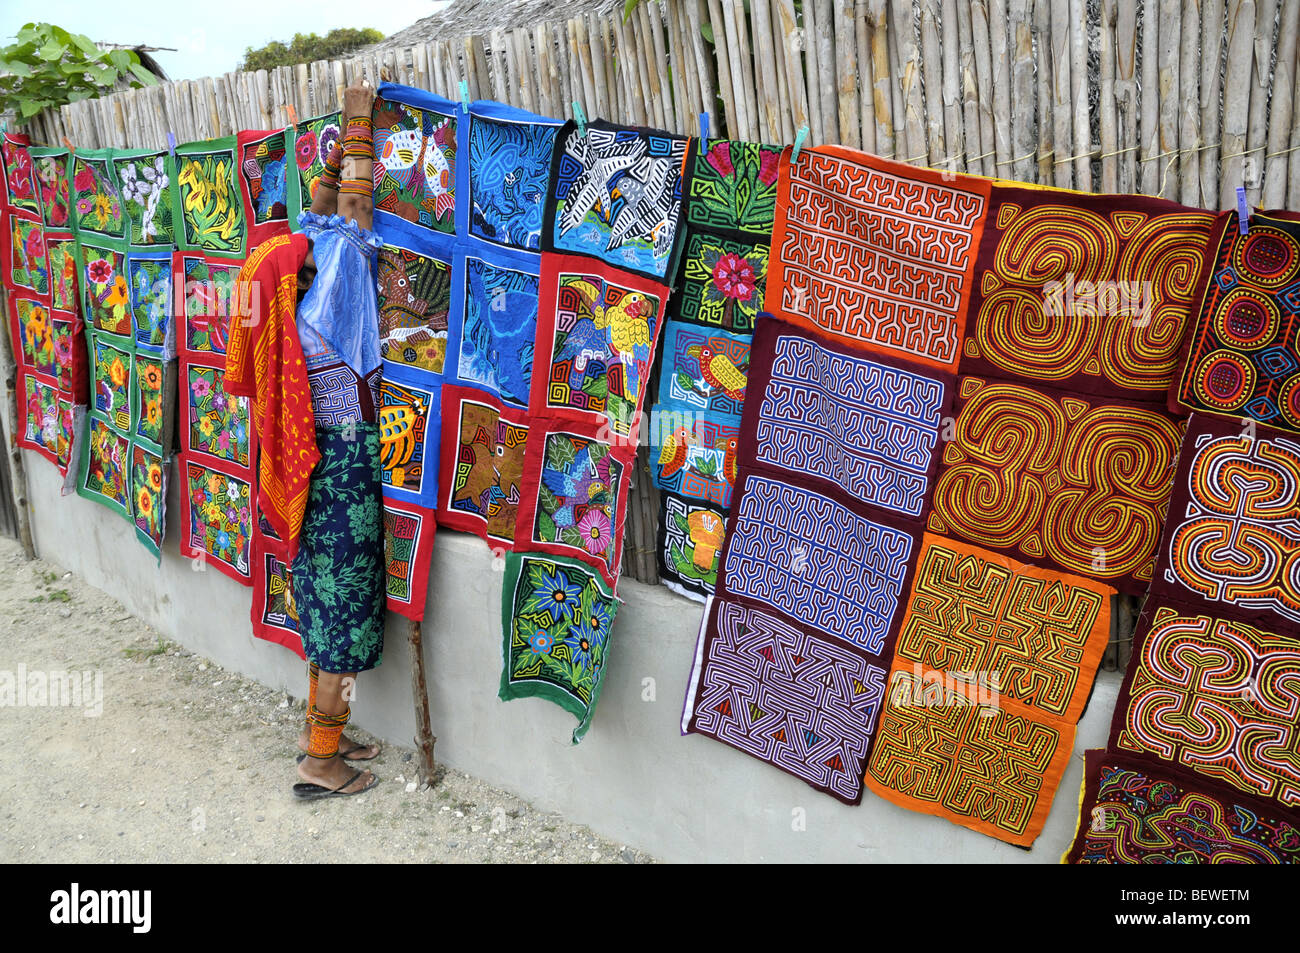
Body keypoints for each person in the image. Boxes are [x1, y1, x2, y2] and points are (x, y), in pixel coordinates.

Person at [226, 79, 385, 799]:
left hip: (310, 461)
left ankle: (325, 729)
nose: (321, 228)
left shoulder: (293, 296)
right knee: (345, 609)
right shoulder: (338, 278)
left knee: (321, 600)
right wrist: (358, 125)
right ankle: (322, 764)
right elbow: (352, 214)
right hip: (344, 462)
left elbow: (325, 217)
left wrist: (332, 162)